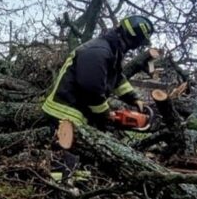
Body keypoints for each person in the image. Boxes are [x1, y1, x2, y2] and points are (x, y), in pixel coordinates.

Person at [43, 15, 155, 181]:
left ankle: (74, 178)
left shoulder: (111, 50)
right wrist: (105, 114)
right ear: (134, 40)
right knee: (65, 155)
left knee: (83, 153)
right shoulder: (98, 52)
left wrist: (134, 99)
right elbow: (91, 88)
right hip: (65, 111)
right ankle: (58, 187)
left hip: (77, 109)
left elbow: (116, 78)